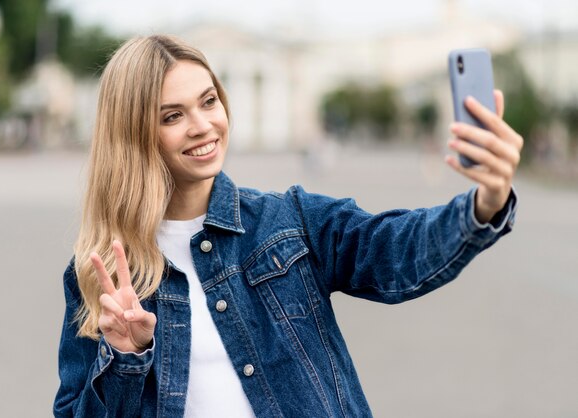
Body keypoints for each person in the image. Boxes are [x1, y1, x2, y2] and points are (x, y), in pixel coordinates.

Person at [54, 34, 521, 418]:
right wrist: (126, 358)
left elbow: (394, 250)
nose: (203, 125)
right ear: (134, 133)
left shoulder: (290, 220)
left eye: (209, 101)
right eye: (173, 116)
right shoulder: (103, 277)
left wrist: (485, 203)